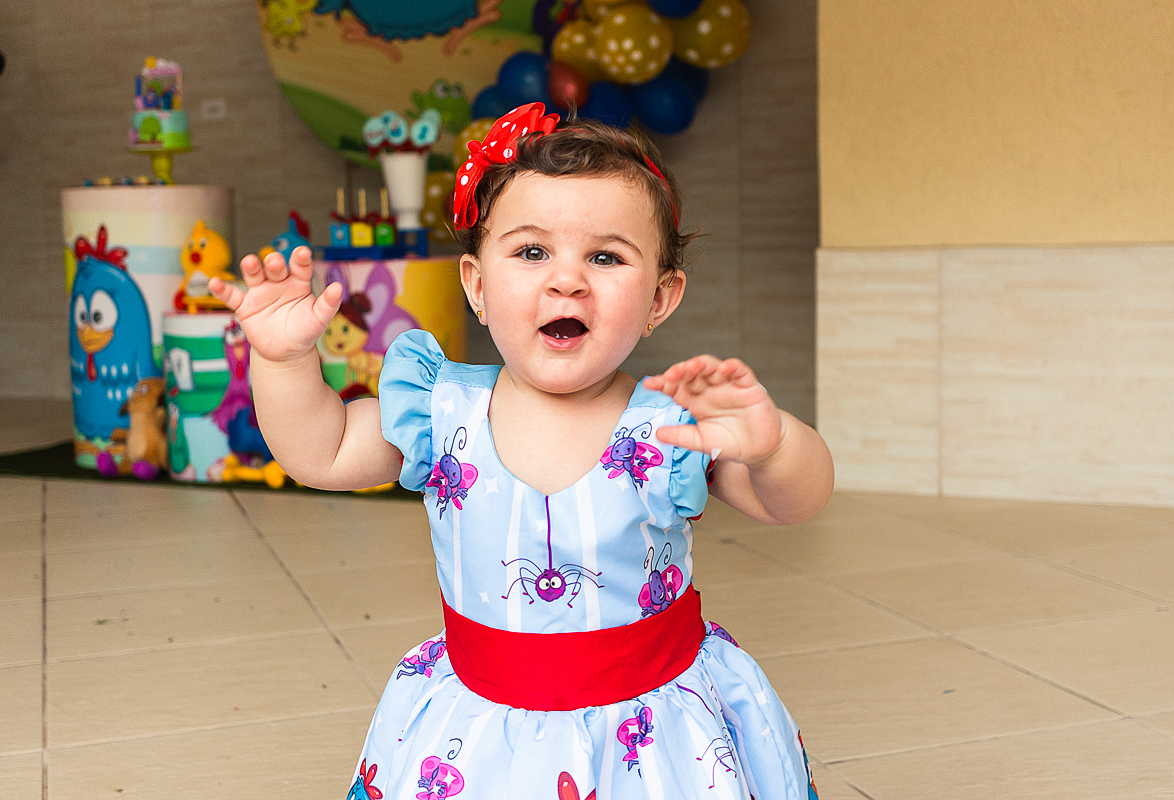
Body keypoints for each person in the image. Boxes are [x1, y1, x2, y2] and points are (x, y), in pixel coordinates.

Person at [210, 102, 833, 800]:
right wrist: (286, 361)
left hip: (652, 731)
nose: (566, 279)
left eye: (604, 256)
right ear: (477, 285)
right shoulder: (441, 411)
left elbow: (794, 503)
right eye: (532, 252)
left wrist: (775, 446)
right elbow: (320, 452)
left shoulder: (671, 428)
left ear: (660, 298)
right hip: (480, 728)